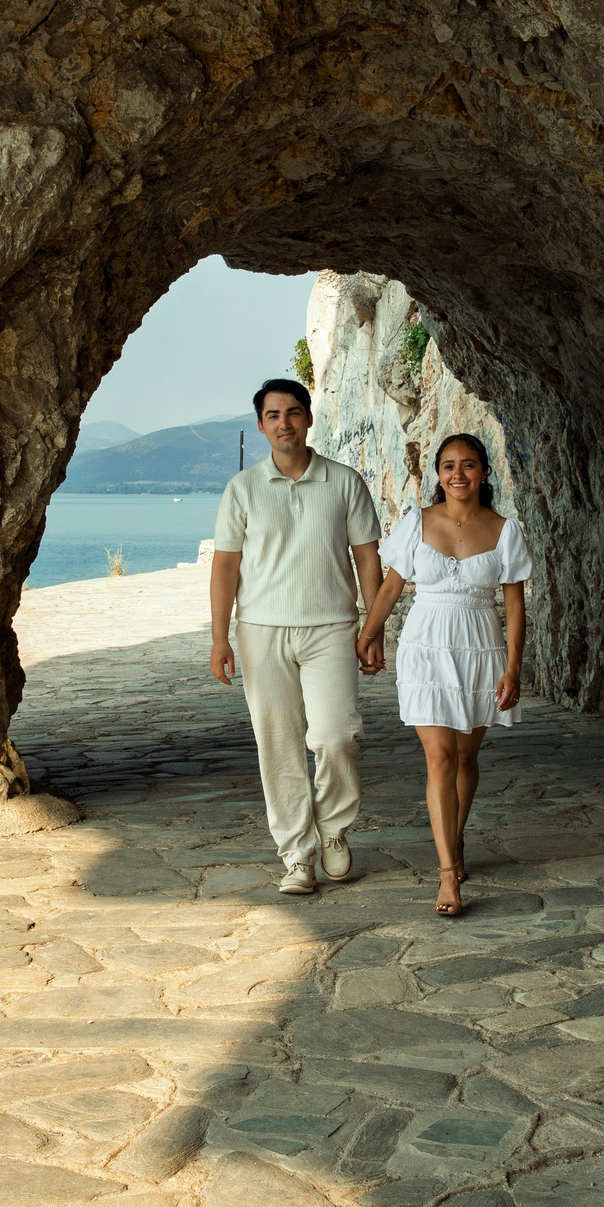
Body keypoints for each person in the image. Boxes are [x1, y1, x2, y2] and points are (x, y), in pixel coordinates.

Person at [209, 378, 384, 895]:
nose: (284, 423)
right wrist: (220, 638)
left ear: (308, 418)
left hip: (332, 628)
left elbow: (367, 558)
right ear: (261, 426)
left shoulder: (345, 481)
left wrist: (373, 627)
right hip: (261, 632)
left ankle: (333, 829)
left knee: (337, 735)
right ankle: (297, 856)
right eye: (273, 415)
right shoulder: (242, 489)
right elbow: (225, 566)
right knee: (278, 745)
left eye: (292, 412)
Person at [357, 434, 530, 916]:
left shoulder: (505, 531)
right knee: (439, 757)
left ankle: (454, 838)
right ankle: (448, 873)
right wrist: (367, 634)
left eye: (468, 465)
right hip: (425, 648)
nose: (458, 474)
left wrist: (514, 667)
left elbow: (515, 607)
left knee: (465, 757)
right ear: (438, 474)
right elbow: (391, 587)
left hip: (479, 649)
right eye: (449, 465)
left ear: (484, 472)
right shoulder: (418, 521)